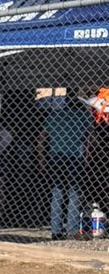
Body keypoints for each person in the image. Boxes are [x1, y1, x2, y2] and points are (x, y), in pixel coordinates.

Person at [38, 92, 93, 239]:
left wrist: (42, 160)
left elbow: (42, 139)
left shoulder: (54, 116)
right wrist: (87, 157)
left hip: (56, 157)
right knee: (74, 193)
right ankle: (71, 230)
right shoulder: (83, 116)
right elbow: (89, 139)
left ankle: (56, 230)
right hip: (75, 157)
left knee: (57, 192)